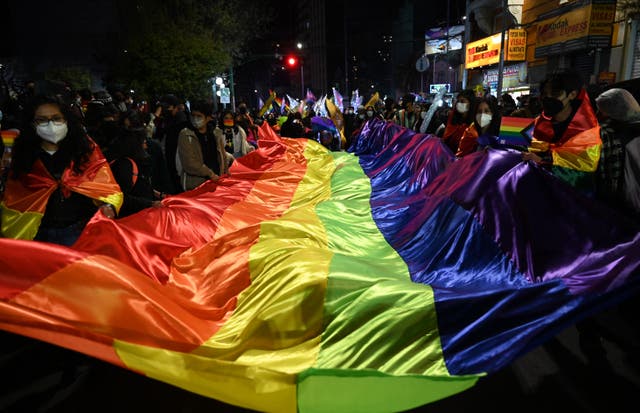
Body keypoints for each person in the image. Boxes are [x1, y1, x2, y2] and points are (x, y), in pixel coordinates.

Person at [0, 95, 122, 245]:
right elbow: (16, 195)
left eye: (56, 118)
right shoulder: (24, 153)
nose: (50, 125)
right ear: (32, 123)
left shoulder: (85, 150)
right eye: (42, 120)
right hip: (36, 233)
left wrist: (108, 205)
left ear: (67, 120)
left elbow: (105, 185)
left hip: (77, 231)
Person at [523, 69, 602, 196]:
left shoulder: (586, 130)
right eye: (544, 94)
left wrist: (542, 162)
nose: (547, 98)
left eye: (555, 94)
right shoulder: (539, 123)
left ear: (572, 94)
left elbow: (582, 173)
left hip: (572, 200)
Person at [594, 87, 640, 220]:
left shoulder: (604, 134)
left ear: (611, 111)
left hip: (619, 206)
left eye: (600, 110)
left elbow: (603, 174)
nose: (597, 114)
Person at [108, 128, 164, 217]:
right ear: (135, 145)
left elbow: (139, 186)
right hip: (132, 218)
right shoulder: (125, 165)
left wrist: (158, 195)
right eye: (143, 142)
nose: (146, 144)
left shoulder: (133, 162)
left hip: (141, 214)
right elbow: (122, 197)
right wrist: (150, 203)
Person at [177, 100, 227, 191]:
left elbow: (222, 155)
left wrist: (225, 173)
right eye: (193, 116)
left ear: (208, 118)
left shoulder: (216, 133)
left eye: (199, 116)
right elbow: (189, 163)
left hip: (216, 182)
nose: (195, 119)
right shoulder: (186, 134)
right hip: (196, 185)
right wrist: (210, 173)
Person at [442, 89, 476, 154]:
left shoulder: (474, 123)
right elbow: (446, 137)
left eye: (462, 101)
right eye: (458, 101)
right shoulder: (453, 117)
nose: (459, 104)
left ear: (470, 103)